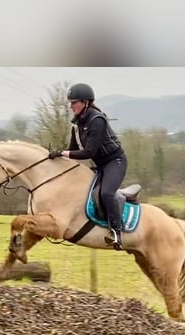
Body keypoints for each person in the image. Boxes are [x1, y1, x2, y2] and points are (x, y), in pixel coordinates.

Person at [48, 82, 127, 250]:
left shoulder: (97, 121)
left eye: (74, 102)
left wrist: (62, 153)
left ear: (86, 102)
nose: (71, 106)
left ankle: (116, 232)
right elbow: (72, 151)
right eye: (70, 103)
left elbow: (88, 152)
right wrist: (55, 159)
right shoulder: (77, 125)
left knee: (106, 193)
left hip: (115, 163)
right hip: (100, 166)